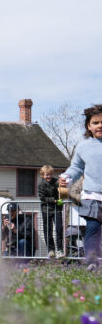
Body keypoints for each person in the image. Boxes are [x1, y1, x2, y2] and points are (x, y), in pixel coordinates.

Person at [60, 105, 102, 268]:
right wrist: (66, 176)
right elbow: (77, 167)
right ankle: (92, 262)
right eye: (96, 122)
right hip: (92, 196)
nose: (100, 125)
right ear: (89, 126)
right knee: (92, 227)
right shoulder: (83, 147)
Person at [38, 165, 64, 258]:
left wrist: (60, 198)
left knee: (59, 228)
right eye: (46, 175)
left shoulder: (56, 182)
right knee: (48, 229)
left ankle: (60, 250)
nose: (48, 177)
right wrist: (54, 200)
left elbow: (61, 191)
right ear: (42, 175)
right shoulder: (41, 184)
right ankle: (50, 250)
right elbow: (42, 198)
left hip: (57, 209)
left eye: (50, 175)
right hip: (46, 209)